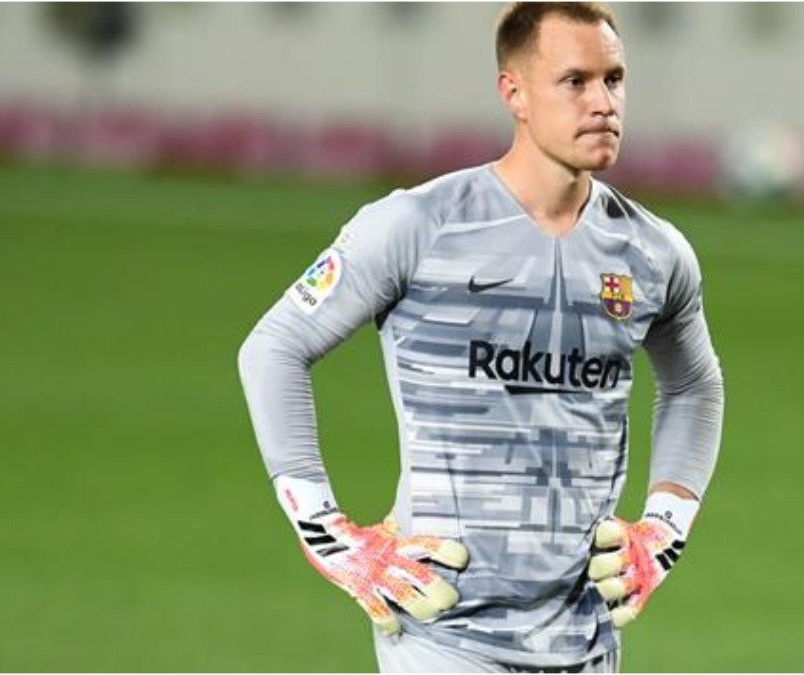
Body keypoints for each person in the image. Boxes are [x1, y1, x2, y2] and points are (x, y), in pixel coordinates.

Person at [238, 3, 724, 672]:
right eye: (575, 81)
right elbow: (273, 348)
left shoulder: (653, 252)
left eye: (614, 79)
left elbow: (695, 385)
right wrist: (328, 532)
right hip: (444, 631)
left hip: (585, 638)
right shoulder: (418, 224)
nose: (603, 102)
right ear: (514, 93)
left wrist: (665, 526)